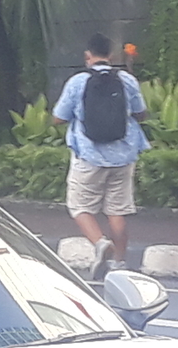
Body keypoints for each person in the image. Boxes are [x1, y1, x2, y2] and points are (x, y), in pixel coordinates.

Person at [53, 33, 150, 275]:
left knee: (79, 206)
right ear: (112, 56)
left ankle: (100, 243)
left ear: (88, 56)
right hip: (124, 155)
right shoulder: (127, 80)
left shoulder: (78, 82)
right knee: (117, 210)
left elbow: (59, 117)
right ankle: (119, 262)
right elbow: (141, 113)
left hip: (89, 155)